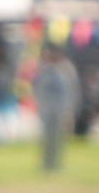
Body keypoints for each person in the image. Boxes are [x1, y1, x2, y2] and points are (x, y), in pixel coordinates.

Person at [33, 29, 79, 174]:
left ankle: (57, 164)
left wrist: (70, 110)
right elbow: (38, 90)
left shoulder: (67, 70)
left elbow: (73, 92)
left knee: (59, 139)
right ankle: (47, 164)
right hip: (47, 109)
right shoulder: (44, 70)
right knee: (47, 138)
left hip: (61, 109)